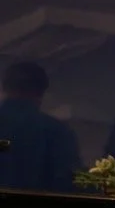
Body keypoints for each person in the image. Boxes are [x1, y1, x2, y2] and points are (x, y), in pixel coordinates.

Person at [0, 61, 82, 192]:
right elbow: (69, 182)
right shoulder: (57, 132)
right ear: (41, 92)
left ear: (5, 87)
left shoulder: (55, 131)